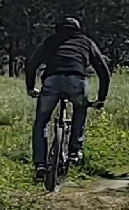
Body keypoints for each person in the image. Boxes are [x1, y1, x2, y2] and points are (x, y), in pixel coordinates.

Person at [25, 17, 110, 174]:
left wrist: (31, 88)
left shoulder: (50, 41)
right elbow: (103, 70)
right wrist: (101, 98)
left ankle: (40, 164)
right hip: (76, 81)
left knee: (41, 122)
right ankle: (74, 151)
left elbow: (32, 65)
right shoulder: (86, 42)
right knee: (80, 108)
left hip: (52, 80)